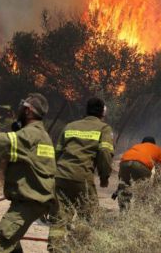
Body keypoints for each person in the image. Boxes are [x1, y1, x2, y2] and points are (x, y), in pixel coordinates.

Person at [0, 93, 57, 253]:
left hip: (30, 202)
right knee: (11, 246)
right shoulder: (42, 134)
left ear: (28, 111)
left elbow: (4, 142)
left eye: (22, 107)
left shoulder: (30, 134)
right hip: (34, 200)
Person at [48, 97, 114, 250]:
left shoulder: (70, 126)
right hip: (81, 178)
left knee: (59, 217)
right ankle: (79, 248)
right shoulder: (104, 128)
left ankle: (55, 249)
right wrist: (104, 177)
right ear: (103, 112)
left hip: (60, 176)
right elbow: (105, 153)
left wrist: (53, 174)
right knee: (89, 217)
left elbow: (57, 152)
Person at [113, 136, 161, 211]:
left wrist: (120, 186)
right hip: (141, 165)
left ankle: (123, 213)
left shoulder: (136, 146)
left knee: (125, 188)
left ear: (142, 142)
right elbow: (159, 171)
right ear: (154, 144)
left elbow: (121, 173)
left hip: (124, 164)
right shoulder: (157, 149)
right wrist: (155, 187)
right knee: (142, 190)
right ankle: (139, 213)